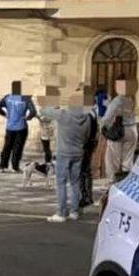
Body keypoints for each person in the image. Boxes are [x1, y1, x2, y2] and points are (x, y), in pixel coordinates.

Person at [42, 88, 96, 222]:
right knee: (75, 182)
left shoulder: (63, 114)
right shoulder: (88, 118)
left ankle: (61, 213)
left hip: (63, 152)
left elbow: (43, 111)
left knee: (61, 182)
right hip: (78, 152)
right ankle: (74, 211)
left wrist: (53, 104)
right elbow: (87, 137)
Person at [0, 81, 36, 173]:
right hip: (21, 126)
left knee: (7, 146)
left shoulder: (7, 97)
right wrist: (28, 118)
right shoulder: (25, 99)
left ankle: (2, 166)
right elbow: (33, 111)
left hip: (10, 126)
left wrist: (5, 114)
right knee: (18, 147)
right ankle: (15, 167)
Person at [102, 77, 139, 182]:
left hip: (119, 131)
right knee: (128, 159)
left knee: (113, 159)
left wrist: (102, 125)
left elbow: (107, 117)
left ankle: (113, 182)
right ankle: (127, 182)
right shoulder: (132, 98)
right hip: (132, 129)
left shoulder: (118, 100)